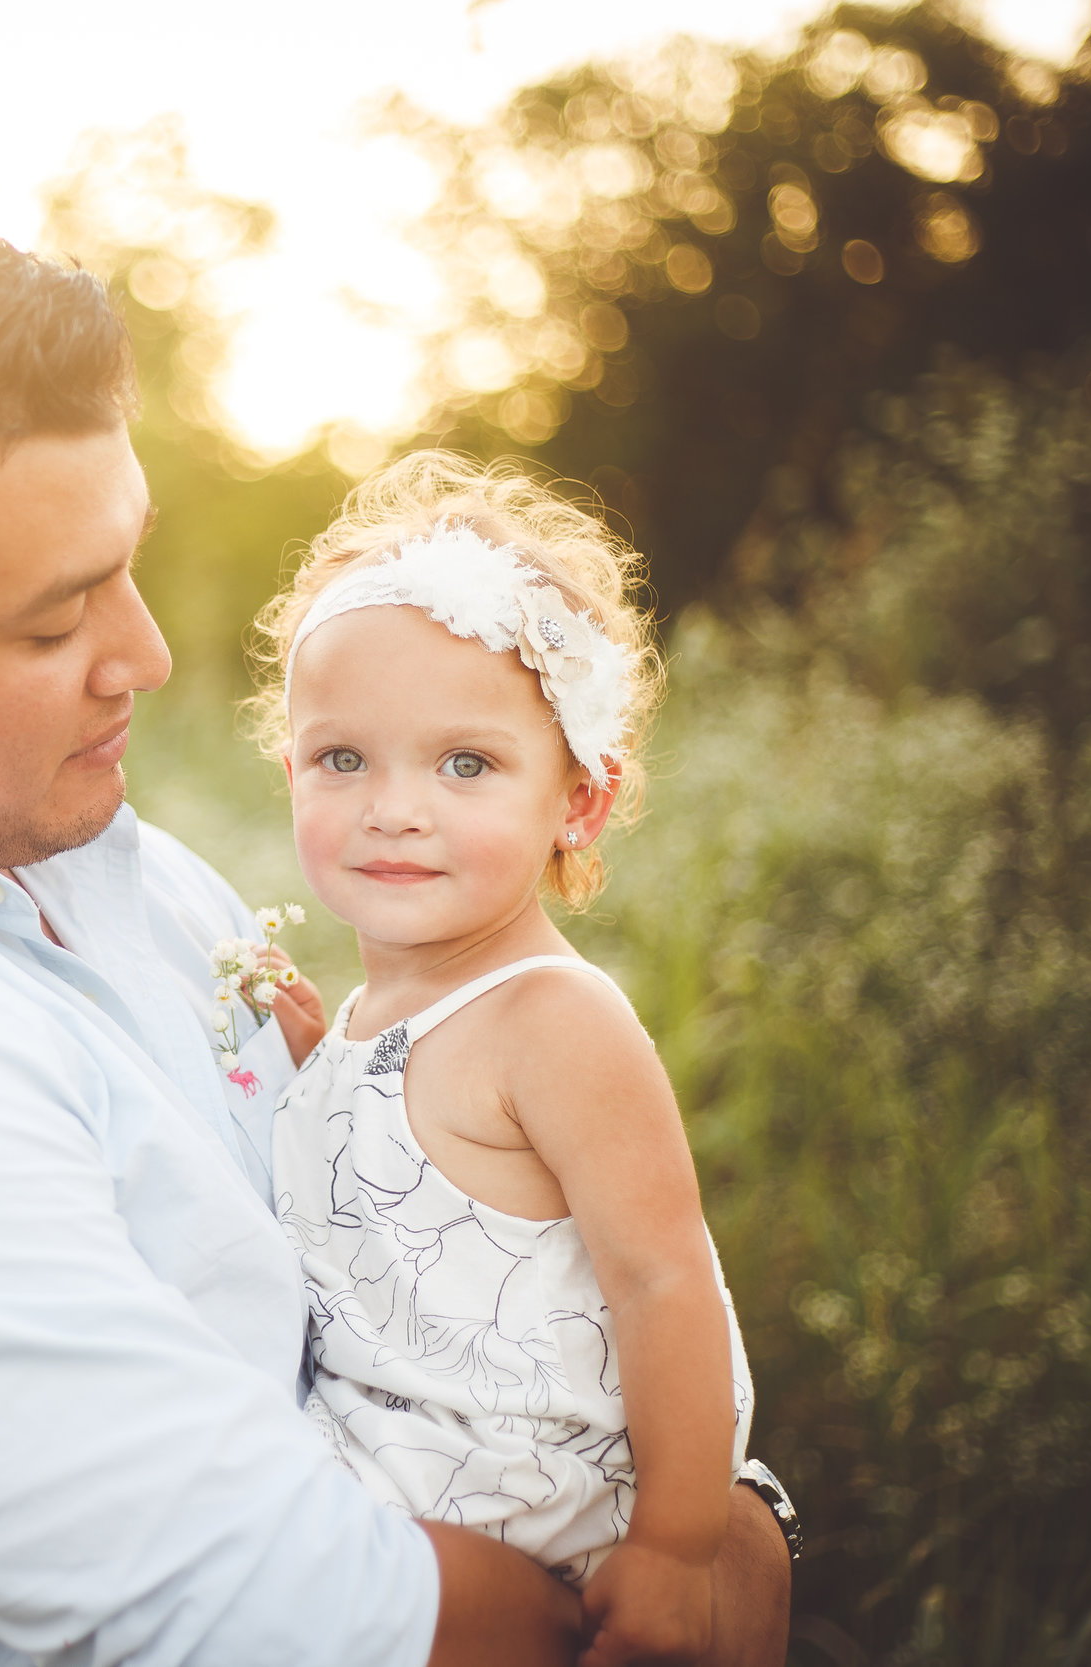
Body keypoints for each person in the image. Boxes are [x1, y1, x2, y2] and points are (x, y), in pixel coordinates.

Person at [0, 196, 794, 1665]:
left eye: (127, 563)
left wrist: (727, 1525)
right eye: (58, 616)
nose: (149, 653)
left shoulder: (101, 863)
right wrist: (652, 1583)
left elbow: (511, 1271)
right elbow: (291, 1615)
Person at [253, 455, 769, 1665]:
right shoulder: (380, 1014)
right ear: (289, 771)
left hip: (551, 1536)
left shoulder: (552, 1017)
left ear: (578, 802)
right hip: (395, 1512)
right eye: (343, 760)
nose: (394, 807)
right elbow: (413, 1174)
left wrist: (680, 1546)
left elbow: (665, 1281)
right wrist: (321, 1057)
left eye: (465, 764)